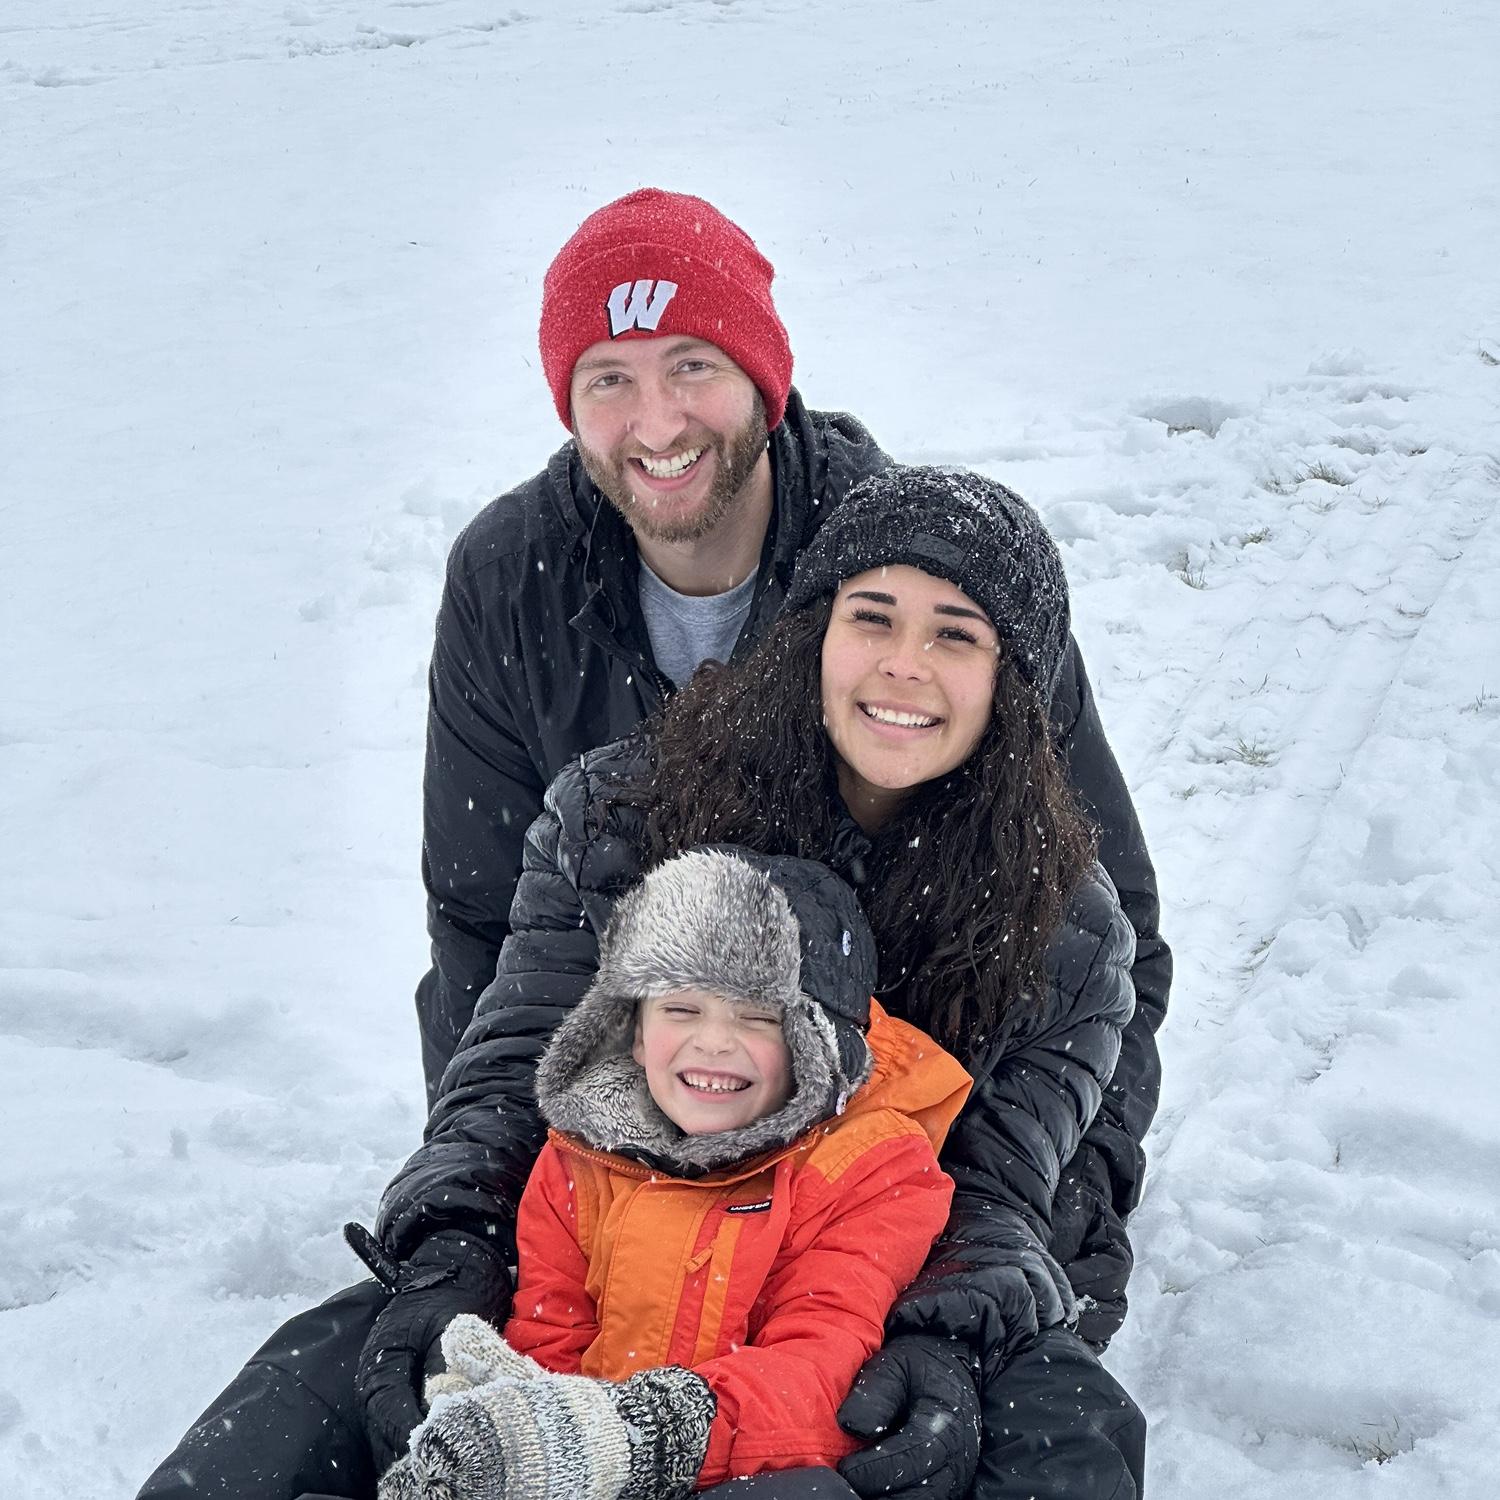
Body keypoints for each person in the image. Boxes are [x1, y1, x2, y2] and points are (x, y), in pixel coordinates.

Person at [136, 187, 1164, 1499]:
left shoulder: (1056, 903)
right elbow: (512, 993)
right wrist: (469, 1218)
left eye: (954, 637)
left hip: (895, 1240)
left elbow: (1032, 1136)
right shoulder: (629, 804)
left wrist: (989, 1297)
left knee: (1045, 1432)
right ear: (809, 635)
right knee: (332, 1380)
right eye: (871, 623)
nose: (906, 663)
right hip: (633, 1175)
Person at [381, 846, 974, 1500]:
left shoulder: (870, 1169)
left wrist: (647, 1435)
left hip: (753, 1469)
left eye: (758, 1016)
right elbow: (553, 1334)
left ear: (819, 1043)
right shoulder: (578, 1158)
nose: (714, 1043)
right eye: (682, 1008)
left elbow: (822, 1370)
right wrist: (518, 1422)